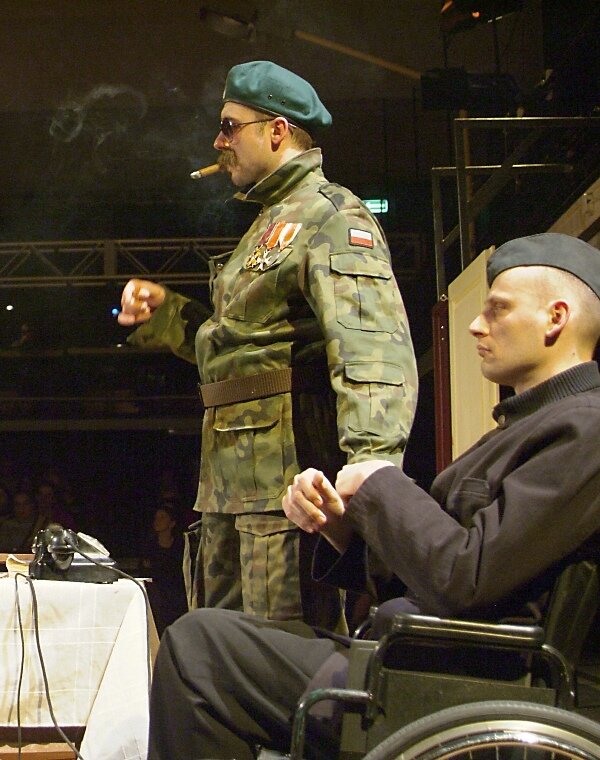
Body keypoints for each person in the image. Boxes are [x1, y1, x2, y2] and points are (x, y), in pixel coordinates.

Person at [147, 232, 600, 760]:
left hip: (469, 682)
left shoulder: (583, 430)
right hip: (424, 659)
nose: (477, 325)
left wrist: (379, 481)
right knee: (204, 635)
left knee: (199, 651)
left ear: (555, 318)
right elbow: (438, 572)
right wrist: (341, 526)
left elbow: (466, 579)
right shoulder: (527, 429)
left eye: (497, 309)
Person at [117, 60, 418, 628]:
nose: (219, 142)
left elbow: (373, 349)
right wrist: (169, 313)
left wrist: (369, 469)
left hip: (288, 493)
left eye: (230, 127)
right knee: (222, 650)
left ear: (276, 130)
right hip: (232, 488)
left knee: (282, 651)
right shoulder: (269, 224)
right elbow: (242, 347)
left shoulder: (330, 216)